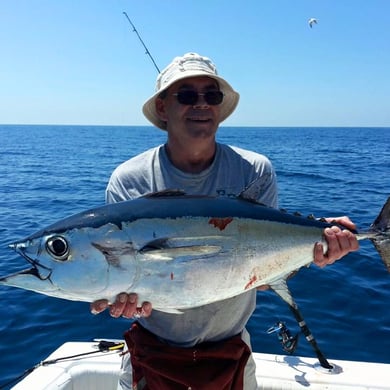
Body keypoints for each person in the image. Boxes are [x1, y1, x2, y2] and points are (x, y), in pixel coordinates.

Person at [91, 52, 359, 389]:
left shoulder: (254, 171)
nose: (200, 104)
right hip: (152, 353)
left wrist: (316, 248)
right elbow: (128, 275)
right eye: (186, 95)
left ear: (220, 106)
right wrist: (125, 299)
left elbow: (260, 278)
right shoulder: (129, 181)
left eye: (211, 95)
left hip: (232, 351)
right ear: (162, 108)